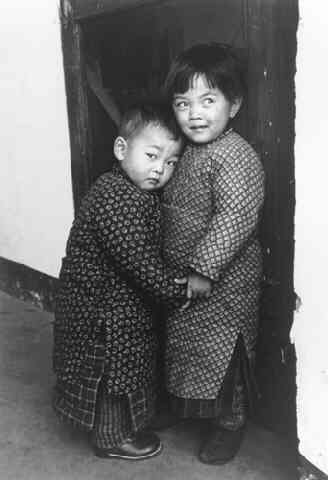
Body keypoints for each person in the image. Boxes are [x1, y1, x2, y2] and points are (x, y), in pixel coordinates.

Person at [52, 100, 186, 460]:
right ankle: (110, 437)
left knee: (134, 362)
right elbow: (138, 260)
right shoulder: (114, 195)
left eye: (171, 162)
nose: (160, 169)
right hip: (99, 310)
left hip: (120, 303)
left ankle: (136, 417)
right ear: (121, 149)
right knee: (113, 370)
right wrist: (173, 290)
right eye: (152, 155)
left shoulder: (138, 193)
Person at [162, 42, 265, 465]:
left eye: (208, 100)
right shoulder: (187, 150)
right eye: (183, 103)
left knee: (226, 358)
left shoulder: (236, 156)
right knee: (188, 353)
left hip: (225, 287)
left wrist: (203, 269)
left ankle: (231, 424)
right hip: (185, 279)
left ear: (234, 104)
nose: (195, 113)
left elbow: (235, 217)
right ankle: (188, 410)